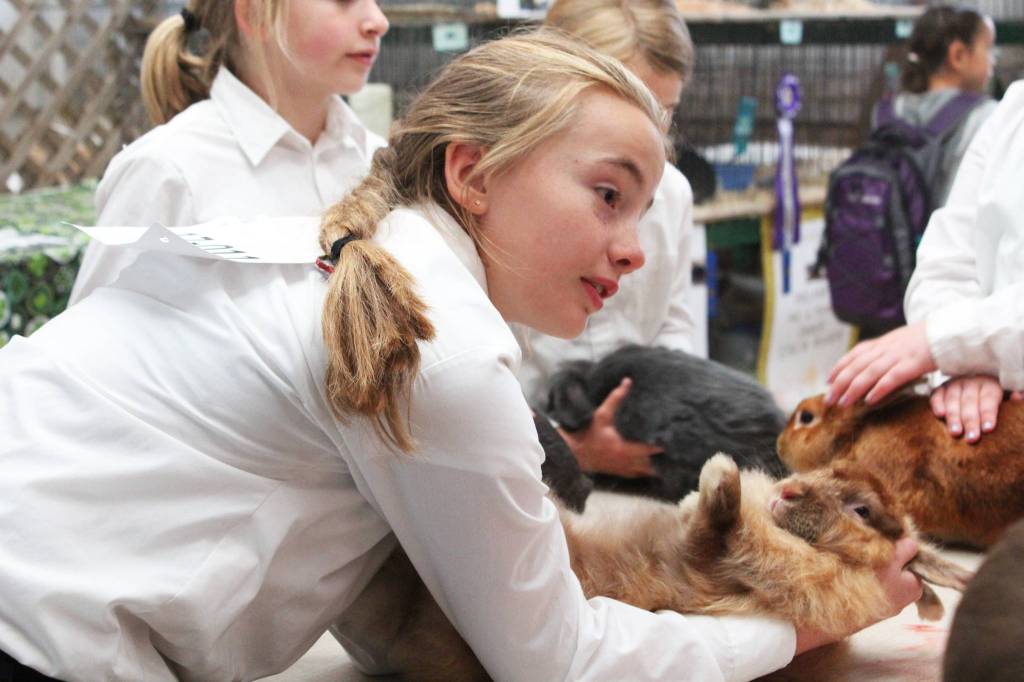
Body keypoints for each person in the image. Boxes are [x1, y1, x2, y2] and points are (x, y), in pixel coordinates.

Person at [0, 32, 920, 682]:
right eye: (608, 196)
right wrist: (801, 627)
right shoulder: (435, 351)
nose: (636, 247)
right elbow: (559, 661)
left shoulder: (376, 276)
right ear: (472, 175)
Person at [69, 0, 388, 303]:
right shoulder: (167, 173)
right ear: (254, 15)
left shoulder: (378, 162)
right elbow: (89, 351)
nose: (379, 22)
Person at [517, 0, 699, 479]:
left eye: (667, 113)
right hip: (527, 451)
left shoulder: (675, 193)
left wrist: (665, 410)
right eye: (635, 108)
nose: (655, 138)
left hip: (641, 446)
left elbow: (674, 319)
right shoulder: (520, 196)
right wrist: (572, 446)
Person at [827, 79, 1024, 446]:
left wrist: (946, 344)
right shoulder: (1013, 109)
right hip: (987, 425)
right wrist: (967, 364)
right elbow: (947, 257)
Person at [880, 4, 997, 208]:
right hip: (948, 238)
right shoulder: (987, 117)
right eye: (988, 49)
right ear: (958, 55)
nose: (992, 60)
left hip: (886, 237)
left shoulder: (888, 111)